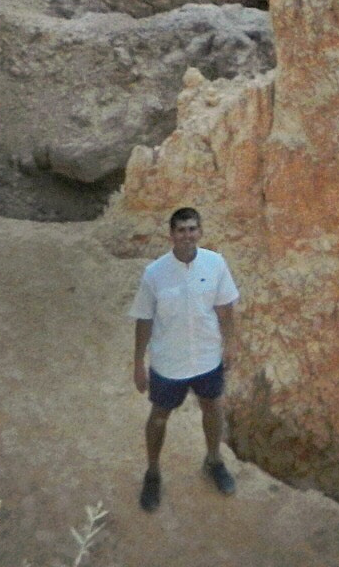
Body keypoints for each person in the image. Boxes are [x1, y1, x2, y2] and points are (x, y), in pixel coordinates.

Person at [129, 206, 240, 511]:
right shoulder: (155, 274)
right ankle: (153, 473)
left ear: (200, 231)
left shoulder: (215, 264)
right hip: (169, 362)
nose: (187, 235)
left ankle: (214, 460)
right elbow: (144, 319)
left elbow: (225, 307)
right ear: (171, 235)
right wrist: (139, 363)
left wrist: (229, 343)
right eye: (181, 230)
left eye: (192, 229)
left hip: (207, 357)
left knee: (213, 407)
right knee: (159, 417)